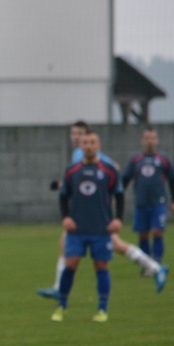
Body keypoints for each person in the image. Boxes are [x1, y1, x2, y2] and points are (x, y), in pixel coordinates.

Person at [37, 120, 167, 298]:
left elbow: (107, 171)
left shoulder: (82, 153)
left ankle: (59, 289)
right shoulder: (80, 153)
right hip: (88, 210)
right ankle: (155, 267)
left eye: (79, 134)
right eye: (73, 133)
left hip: (95, 210)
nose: (75, 137)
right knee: (109, 244)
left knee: (92, 243)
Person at [51, 131, 122, 323]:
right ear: (80, 146)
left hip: (101, 228)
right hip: (77, 228)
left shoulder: (109, 170)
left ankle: (102, 309)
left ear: (98, 145)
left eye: (92, 142)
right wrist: (66, 217)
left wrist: (118, 219)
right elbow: (63, 196)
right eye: (85, 143)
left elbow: (119, 194)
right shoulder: (72, 170)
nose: (89, 146)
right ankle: (61, 306)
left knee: (101, 266)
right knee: (70, 264)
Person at [122, 127, 174, 264]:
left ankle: (157, 262)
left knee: (157, 231)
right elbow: (125, 179)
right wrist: (117, 196)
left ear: (157, 140)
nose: (150, 141)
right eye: (147, 138)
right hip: (141, 202)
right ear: (142, 141)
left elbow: (172, 179)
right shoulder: (136, 160)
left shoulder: (163, 159)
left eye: (152, 138)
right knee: (143, 234)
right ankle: (146, 264)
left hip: (159, 202)